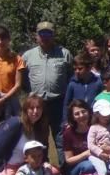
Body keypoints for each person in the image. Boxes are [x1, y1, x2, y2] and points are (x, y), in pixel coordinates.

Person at [21, 21, 73, 162]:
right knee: (38, 140)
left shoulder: (64, 54)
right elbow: (23, 79)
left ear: (53, 35)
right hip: (37, 105)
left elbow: (70, 77)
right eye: (42, 34)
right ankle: (41, 171)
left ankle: (65, 171)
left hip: (58, 103)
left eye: (48, 33)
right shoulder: (27, 56)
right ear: (36, 36)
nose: (45, 37)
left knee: (61, 138)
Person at [61, 100, 97, 175]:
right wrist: (86, 154)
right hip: (76, 168)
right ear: (72, 117)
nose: (81, 116)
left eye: (83, 112)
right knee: (89, 166)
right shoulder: (68, 133)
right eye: (77, 114)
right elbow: (68, 160)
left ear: (88, 111)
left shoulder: (96, 128)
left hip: (98, 162)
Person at [62, 53, 103, 120]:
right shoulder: (72, 84)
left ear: (89, 68)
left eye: (80, 68)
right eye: (75, 69)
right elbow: (67, 104)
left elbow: (102, 101)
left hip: (93, 118)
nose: (77, 71)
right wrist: (66, 121)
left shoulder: (98, 83)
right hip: (77, 119)